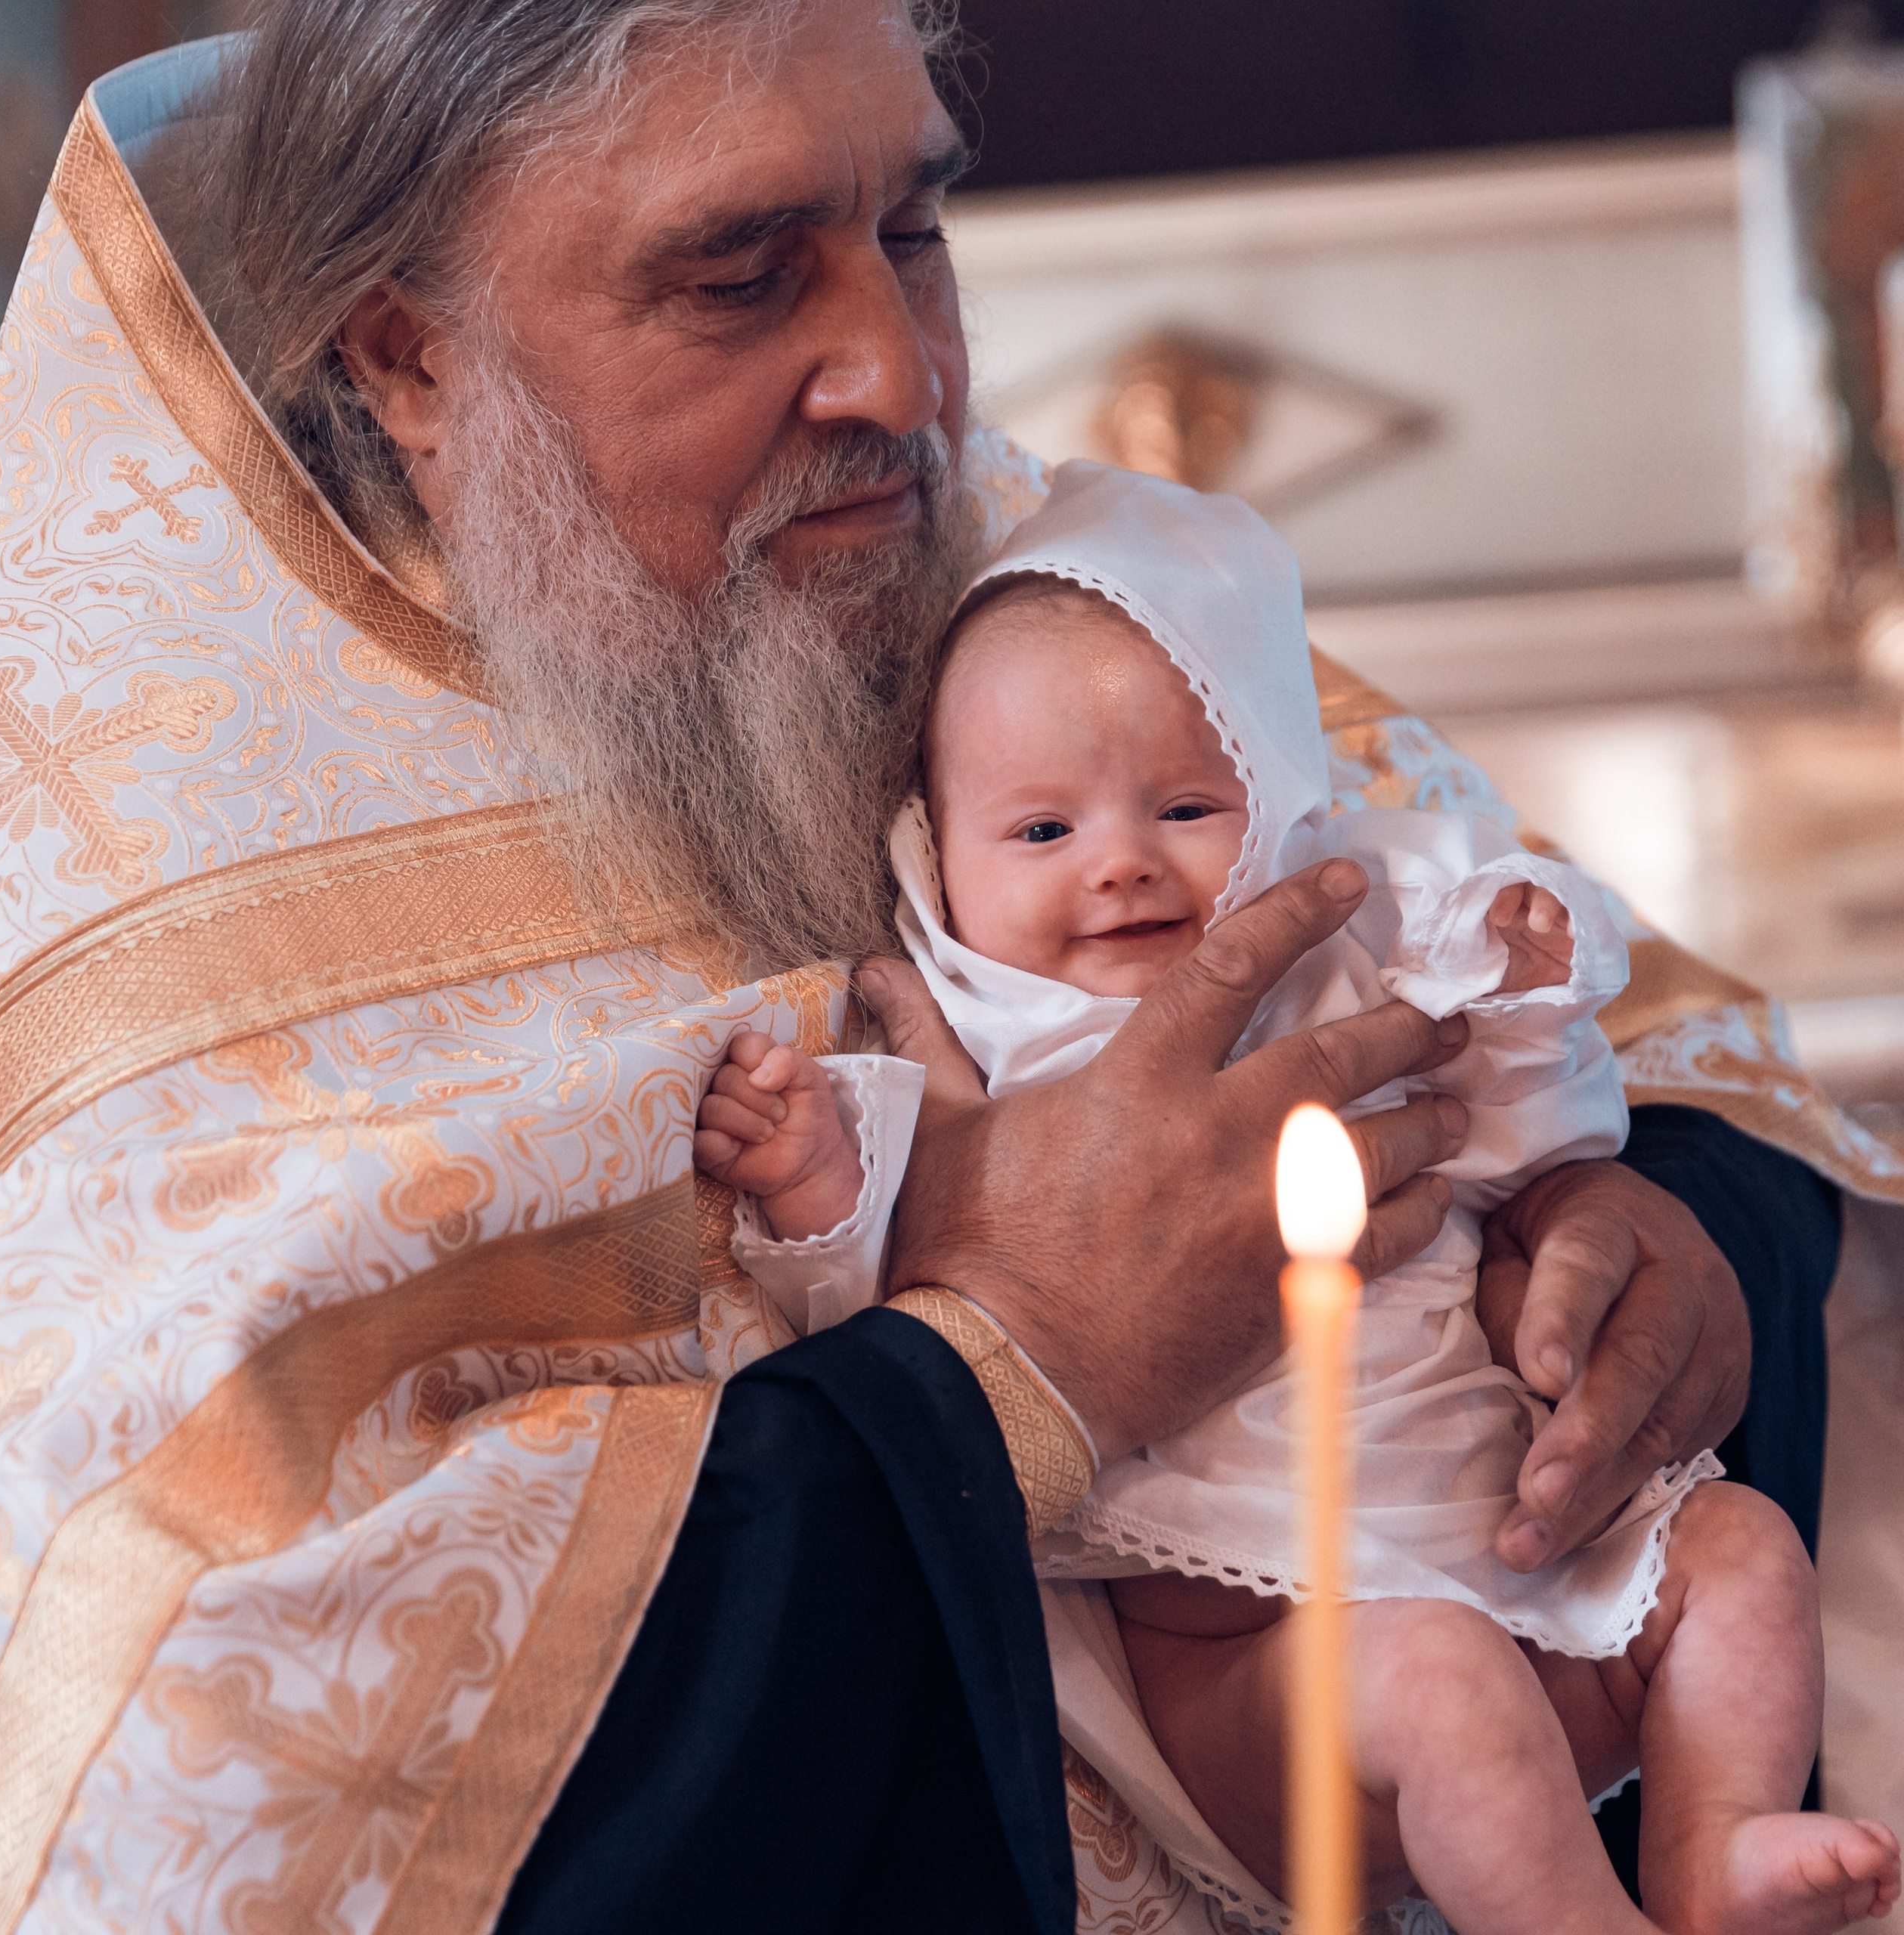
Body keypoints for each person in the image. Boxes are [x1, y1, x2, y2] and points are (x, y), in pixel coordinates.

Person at [0, 2, 1868, 1929]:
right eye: (738, 275)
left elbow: (1679, 1051)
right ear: (410, 356)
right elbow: (218, 1782)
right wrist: (1007, 1352)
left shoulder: (1012, 578)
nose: (897, 369)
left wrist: (1648, 1231)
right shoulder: (152, 904)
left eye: (916, 231)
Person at [697, 462, 1901, 1933]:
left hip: (1526, 1545)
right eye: (1038, 835)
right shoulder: (973, 1054)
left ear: (1275, 791)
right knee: (1446, 1689)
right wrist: (822, 1189)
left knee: (1737, 1551)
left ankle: (1706, 1844)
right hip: (1258, 1663)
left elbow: (1521, 1118)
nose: (1123, 861)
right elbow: (889, 1317)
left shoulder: (1345, 950)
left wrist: (1526, 1009)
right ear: (931, 856)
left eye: (1189, 805)